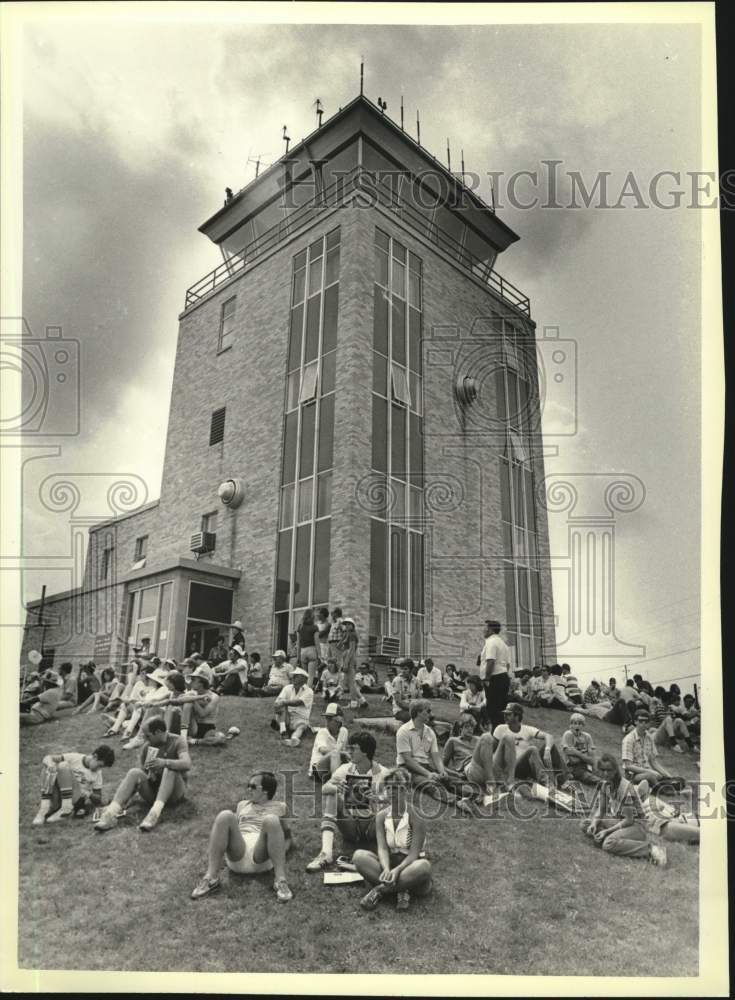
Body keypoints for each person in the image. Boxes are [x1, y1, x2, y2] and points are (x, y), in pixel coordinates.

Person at [190, 770, 294, 903]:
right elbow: (233, 830)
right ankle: (211, 877)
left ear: (266, 791)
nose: (249, 789)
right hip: (240, 850)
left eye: (253, 786)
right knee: (225, 815)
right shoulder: (242, 805)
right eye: (248, 785)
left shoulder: (280, 807)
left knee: (271, 820)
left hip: (262, 853)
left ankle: (280, 881)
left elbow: (287, 834)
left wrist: (282, 850)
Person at [307, 731, 390, 871]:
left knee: (389, 810)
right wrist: (337, 787)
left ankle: (391, 850)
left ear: (365, 752)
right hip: (350, 825)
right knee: (332, 795)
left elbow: (398, 801)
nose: (348, 751)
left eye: (353, 748)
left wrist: (378, 798)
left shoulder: (384, 773)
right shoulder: (345, 769)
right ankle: (326, 853)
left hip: (373, 826)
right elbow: (325, 788)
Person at [353, 768, 433, 911]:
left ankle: (380, 890)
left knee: (424, 866)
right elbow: (382, 848)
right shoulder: (381, 816)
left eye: (396, 788)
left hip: (410, 867)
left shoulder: (417, 817)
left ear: (406, 790)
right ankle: (401, 889)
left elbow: (414, 854)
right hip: (390, 863)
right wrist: (386, 869)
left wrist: (396, 871)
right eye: (388, 788)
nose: (391, 792)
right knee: (358, 856)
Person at [95, 717, 191, 832]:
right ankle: (110, 813)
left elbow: (187, 763)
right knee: (134, 772)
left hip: (175, 793)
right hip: (154, 792)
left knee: (169, 769)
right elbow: (141, 775)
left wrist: (165, 763)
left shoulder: (178, 740)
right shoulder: (147, 747)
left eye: (148, 735)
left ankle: (154, 814)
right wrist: (128, 799)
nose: (145, 738)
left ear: (158, 732)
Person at [581, 753, 667, 864]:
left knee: (608, 844)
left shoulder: (625, 788)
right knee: (586, 824)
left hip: (636, 825)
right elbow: (601, 810)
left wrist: (607, 831)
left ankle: (651, 849)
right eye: (602, 770)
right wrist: (594, 823)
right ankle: (612, 837)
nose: (605, 773)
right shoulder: (605, 785)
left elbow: (629, 820)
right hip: (619, 820)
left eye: (609, 770)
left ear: (615, 770)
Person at [491, 703, 570, 790]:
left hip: (526, 766)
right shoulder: (500, 729)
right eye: (505, 714)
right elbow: (492, 749)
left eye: (508, 714)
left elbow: (548, 736)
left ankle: (564, 781)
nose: (505, 716)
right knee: (532, 749)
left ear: (517, 716)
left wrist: (547, 750)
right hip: (513, 767)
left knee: (551, 746)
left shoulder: (526, 729)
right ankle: (547, 783)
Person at [442, 712, 514, 806]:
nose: (470, 729)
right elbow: (442, 765)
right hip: (471, 769)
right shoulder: (453, 741)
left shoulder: (477, 739)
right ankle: (491, 783)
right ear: (460, 728)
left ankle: (509, 784)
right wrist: (455, 773)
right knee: (486, 736)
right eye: (467, 727)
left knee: (508, 737)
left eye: (472, 727)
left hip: (488, 766)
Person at [32, 744, 115, 825]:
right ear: (95, 756)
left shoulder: (97, 773)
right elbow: (48, 758)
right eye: (99, 765)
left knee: (63, 765)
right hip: (59, 793)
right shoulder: (75, 757)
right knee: (49, 766)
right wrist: (51, 765)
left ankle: (65, 809)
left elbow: (98, 798)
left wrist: (88, 793)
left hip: (75, 798)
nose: (99, 769)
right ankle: (45, 809)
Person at [395, 699, 455, 798]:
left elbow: (435, 756)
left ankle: (474, 796)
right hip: (407, 768)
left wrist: (441, 771)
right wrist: (428, 774)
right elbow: (408, 760)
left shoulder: (430, 732)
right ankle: (458, 802)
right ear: (418, 712)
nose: (431, 714)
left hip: (425, 766)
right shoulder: (403, 731)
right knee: (431, 784)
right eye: (428, 711)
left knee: (449, 780)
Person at [621, 708, 685, 791]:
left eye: (646, 721)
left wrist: (669, 777)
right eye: (640, 721)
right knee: (649, 776)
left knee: (679, 780)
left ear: (649, 723)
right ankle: (662, 789)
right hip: (633, 776)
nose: (643, 724)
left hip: (648, 772)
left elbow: (653, 762)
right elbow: (628, 766)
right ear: (635, 721)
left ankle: (664, 784)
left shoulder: (649, 737)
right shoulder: (629, 739)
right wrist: (651, 772)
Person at [177, 671, 226, 746]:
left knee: (221, 738)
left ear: (201, 683)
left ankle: (194, 741)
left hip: (207, 727)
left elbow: (203, 714)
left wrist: (193, 700)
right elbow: (179, 699)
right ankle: (184, 737)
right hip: (193, 725)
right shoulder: (192, 693)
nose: (191, 682)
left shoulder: (214, 696)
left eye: (193, 680)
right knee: (187, 704)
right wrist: (195, 698)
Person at [479, 620, 511, 730]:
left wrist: (487, 678)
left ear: (491, 629)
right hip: (503, 677)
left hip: (494, 679)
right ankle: (502, 733)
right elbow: (507, 665)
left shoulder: (491, 642)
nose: (483, 630)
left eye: (485, 628)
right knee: (501, 710)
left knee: (493, 710)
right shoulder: (503, 644)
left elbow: (490, 661)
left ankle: (497, 735)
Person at [272, 666, 314, 746]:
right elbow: (277, 702)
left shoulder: (309, 691)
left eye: (296, 676)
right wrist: (278, 705)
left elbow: (298, 702)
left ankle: (294, 739)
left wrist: (283, 702)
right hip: (286, 716)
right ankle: (283, 732)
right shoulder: (287, 688)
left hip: (300, 718)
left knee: (301, 727)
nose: (293, 678)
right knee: (282, 705)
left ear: (303, 680)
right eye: (294, 676)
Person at [309, 703, 349, 781]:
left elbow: (344, 753)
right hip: (318, 769)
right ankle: (336, 783)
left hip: (333, 768)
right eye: (326, 718)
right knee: (335, 753)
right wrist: (342, 753)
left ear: (339, 720)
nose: (327, 721)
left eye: (330, 718)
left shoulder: (344, 731)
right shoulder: (322, 732)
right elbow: (323, 750)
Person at [561, 713, 601, 786]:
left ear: (583, 725)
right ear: (571, 725)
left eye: (580, 724)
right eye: (575, 723)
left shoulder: (587, 736)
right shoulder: (568, 735)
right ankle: (602, 784)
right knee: (590, 778)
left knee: (602, 769)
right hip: (572, 768)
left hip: (586, 766)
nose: (577, 726)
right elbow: (573, 761)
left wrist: (576, 753)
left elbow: (592, 760)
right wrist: (586, 756)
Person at [297, 608, 320, 688]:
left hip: (303, 651)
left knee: (305, 675)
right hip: (312, 650)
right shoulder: (315, 627)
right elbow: (317, 642)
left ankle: (303, 693)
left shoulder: (300, 627)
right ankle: (308, 694)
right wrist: (320, 655)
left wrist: (298, 656)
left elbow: (298, 643)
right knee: (311, 676)